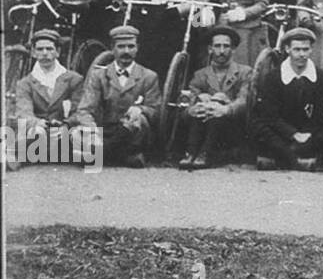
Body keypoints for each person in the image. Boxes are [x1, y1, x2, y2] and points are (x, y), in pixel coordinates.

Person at [75, 25, 160, 168]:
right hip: (104, 131)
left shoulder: (149, 76)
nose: (126, 51)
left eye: (131, 46)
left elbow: (156, 110)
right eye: (121, 47)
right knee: (78, 132)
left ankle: (102, 154)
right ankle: (118, 155)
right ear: (112, 48)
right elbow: (85, 109)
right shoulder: (99, 76)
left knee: (137, 118)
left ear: (137, 48)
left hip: (134, 134)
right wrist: (92, 132)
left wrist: (141, 110)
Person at [249, 27, 323, 171]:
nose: (302, 54)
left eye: (305, 49)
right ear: (287, 49)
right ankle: (297, 159)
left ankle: (280, 158)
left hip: (307, 131)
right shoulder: (274, 76)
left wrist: (306, 134)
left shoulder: (320, 76)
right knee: (259, 127)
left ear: (311, 49)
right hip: (281, 130)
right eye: (297, 49)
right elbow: (270, 115)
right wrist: (293, 134)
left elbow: (321, 112)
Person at [8, 29, 85, 170]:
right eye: (40, 49)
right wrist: (37, 122)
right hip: (39, 131)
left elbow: (80, 111)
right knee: (32, 132)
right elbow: (23, 112)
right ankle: (40, 153)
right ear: (33, 52)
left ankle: (30, 154)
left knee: (80, 135)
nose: (44, 53)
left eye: (49, 49)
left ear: (58, 52)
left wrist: (66, 123)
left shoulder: (74, 79)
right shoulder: (25, 83)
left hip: (64, 130)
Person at [178, 26, 253, 170]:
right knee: (203, 107)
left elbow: (244, 100)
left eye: (226, 46)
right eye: (217, 46)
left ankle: (205, 154)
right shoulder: (200, 75)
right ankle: (191, 153)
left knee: (217, 105)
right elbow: (190, 99)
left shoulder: (245, 72)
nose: (222, 51)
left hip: (231, 126)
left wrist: (226, 109)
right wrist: (195, 108)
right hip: (201, 125)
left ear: (233, 50)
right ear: (210, 49)